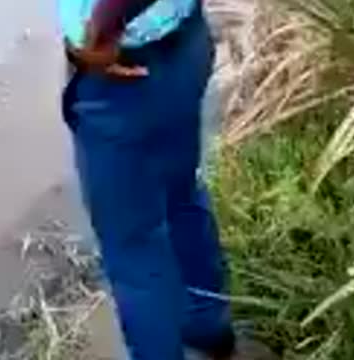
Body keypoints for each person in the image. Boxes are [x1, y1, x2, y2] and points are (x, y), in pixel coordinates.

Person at [59, 0, 237, 359]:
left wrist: (103, 29)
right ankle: (207, 323)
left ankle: (191, 331)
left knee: (133, 245)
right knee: (180, 192)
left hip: (122, 69)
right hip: (183, 38)